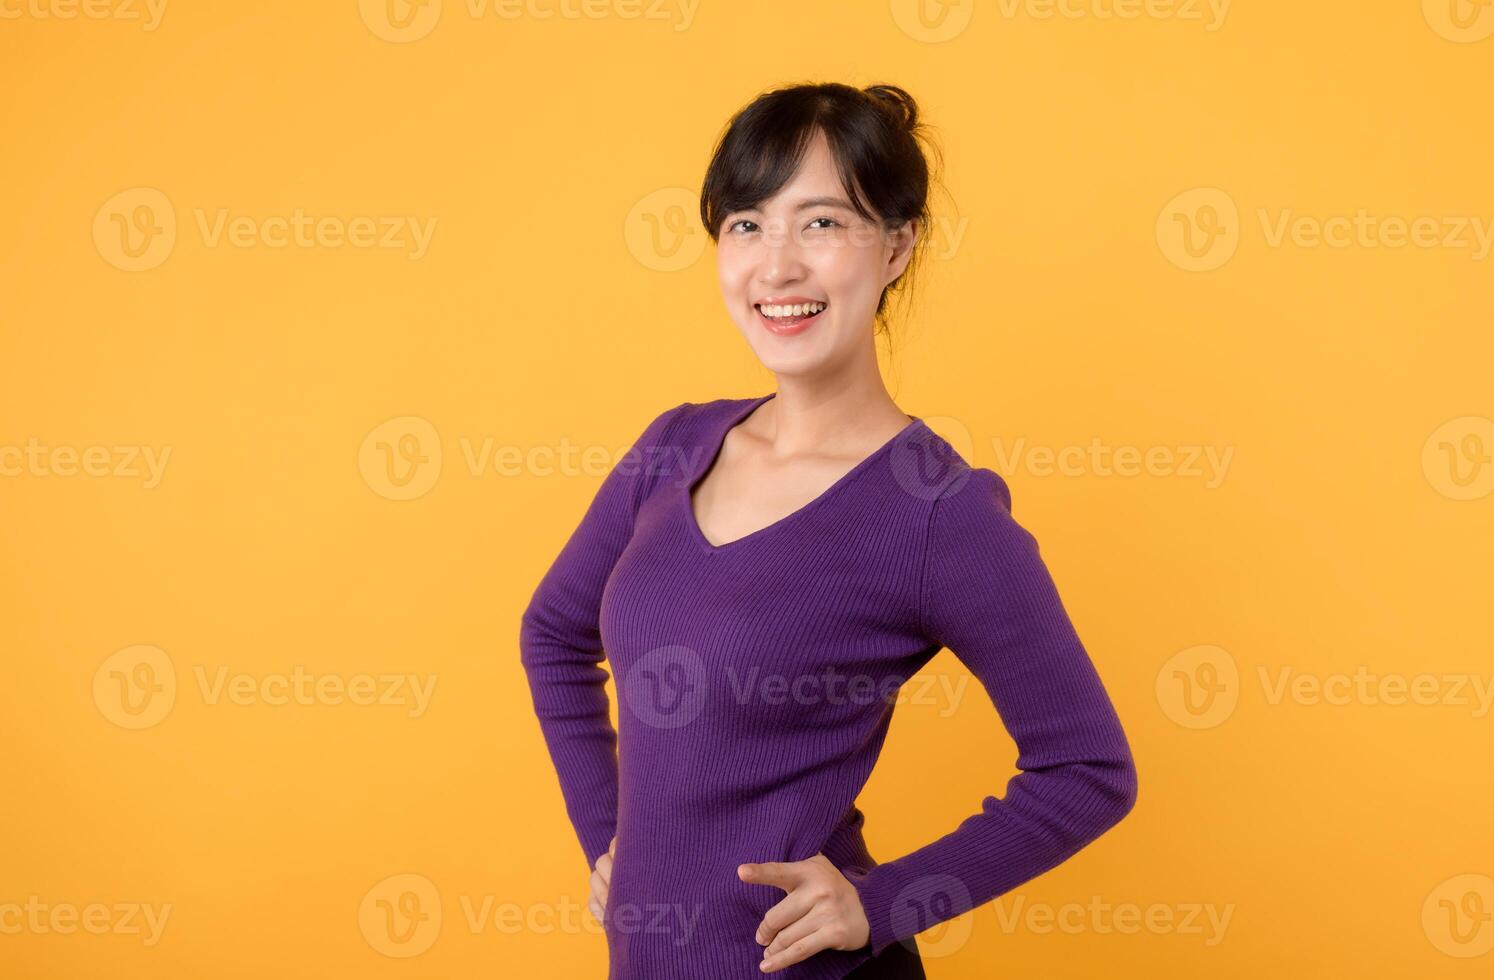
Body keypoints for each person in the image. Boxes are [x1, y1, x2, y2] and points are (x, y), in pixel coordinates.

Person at [519, 81, 1138, 979]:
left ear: (897, 245)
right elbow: (552, 634)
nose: (776, 268)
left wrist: (880, 903)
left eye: (821, 223)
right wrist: (610, 836)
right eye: (745, 224)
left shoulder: (937, 512)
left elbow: (1088, 769)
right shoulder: (674, 445)